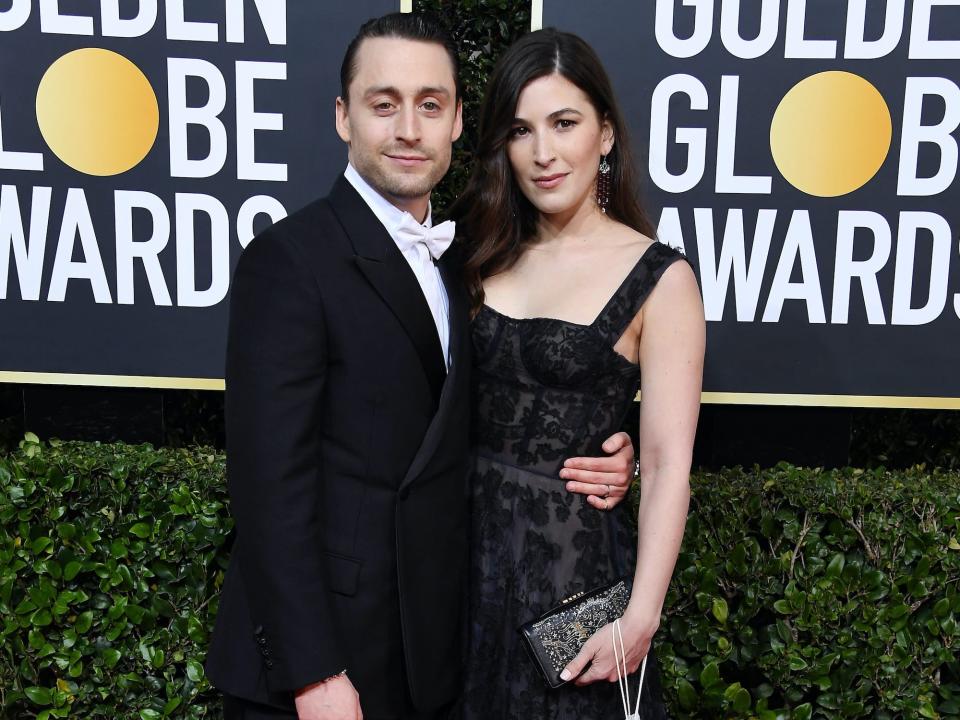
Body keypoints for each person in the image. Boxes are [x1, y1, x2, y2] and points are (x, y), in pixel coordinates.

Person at [205, 14, 638, 720]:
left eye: (430, 104)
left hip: (433, 649)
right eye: (384, 104)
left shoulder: (472, 253)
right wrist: (314, 673)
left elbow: (500, 409)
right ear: (344, 117)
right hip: (321, 666)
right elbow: (267, 486)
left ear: (460, 122)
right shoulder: (290, 261)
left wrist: (611, 457)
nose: (409, 128)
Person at [451, 28, 705, 718]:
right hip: (456, 575)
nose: (543, 152)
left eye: (564, 123)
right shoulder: (476, 255)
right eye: (520, 129)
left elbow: (666, 462)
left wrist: (642, 616)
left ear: (605, 135)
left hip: (571, 586)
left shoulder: (661, 278)